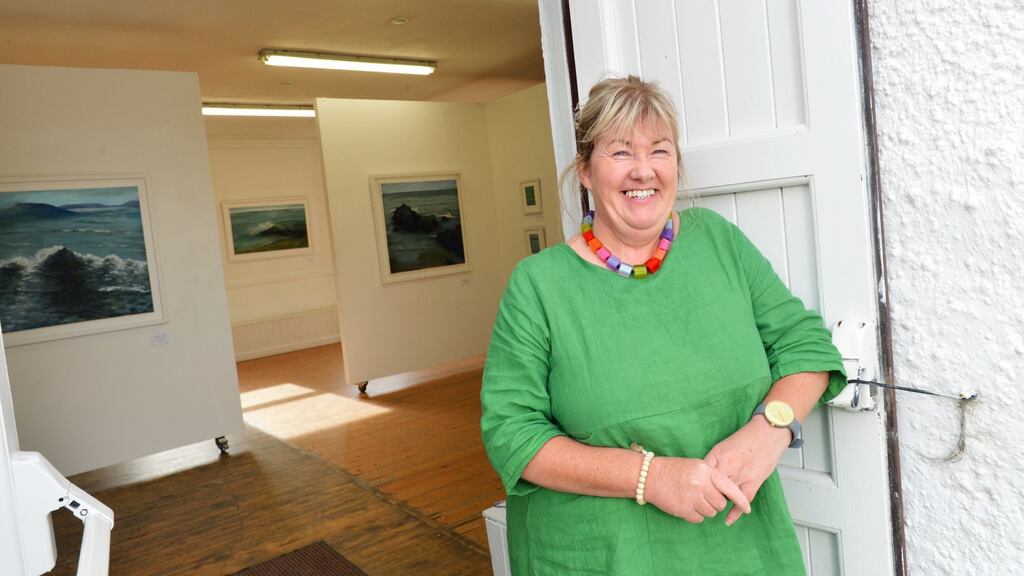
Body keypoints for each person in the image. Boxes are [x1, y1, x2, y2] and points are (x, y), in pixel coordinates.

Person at [480, 75, 848, 575]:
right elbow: (511, 434)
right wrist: (649, 477)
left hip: (738, 547)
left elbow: (804, 345)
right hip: (603, 555)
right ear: (585, 170)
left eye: (659, 150)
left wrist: (771, 430)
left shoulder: (717, 242)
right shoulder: (538, 285)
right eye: (620, 152)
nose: (643, 170)